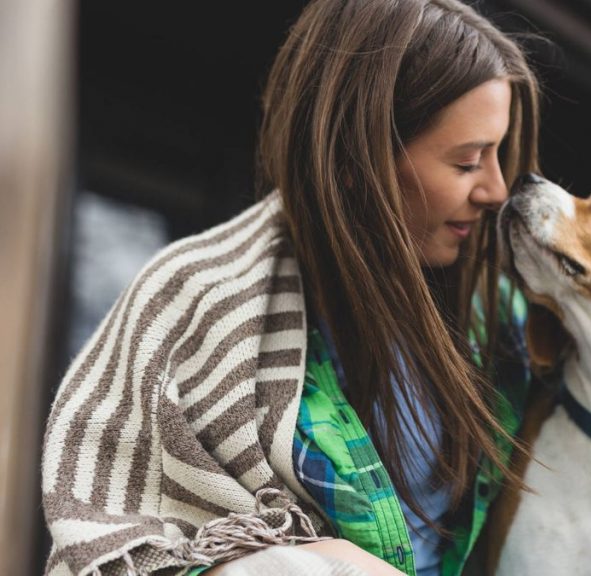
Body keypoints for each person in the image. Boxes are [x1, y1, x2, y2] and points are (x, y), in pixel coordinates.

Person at [41, 1, 541, 574]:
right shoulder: (190, 301)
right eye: (468, 161)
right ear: (359, 158)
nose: (497, 190)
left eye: (497, 153)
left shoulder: (498, 317)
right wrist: (289, 564)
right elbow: (105, 548)